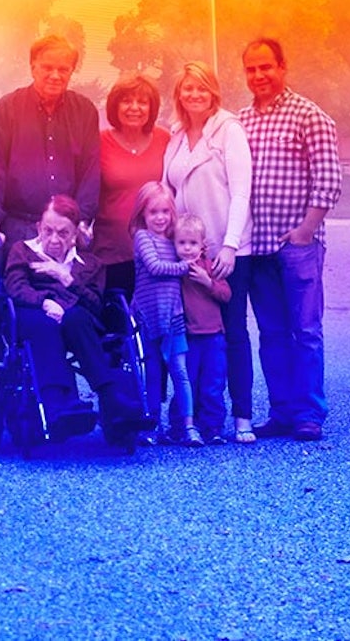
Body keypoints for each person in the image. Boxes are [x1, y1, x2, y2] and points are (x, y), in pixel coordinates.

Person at [239, 38, 342, 442]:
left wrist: (305, 230)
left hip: (297, 245)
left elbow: (328, 180)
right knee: (271, 334)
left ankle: (309, 413)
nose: (259, 75)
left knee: (305, 331)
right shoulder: (241, 121)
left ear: (282, 67)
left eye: (266, 67)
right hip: (257, 247)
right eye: (251, 69)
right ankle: (281, 411)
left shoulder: (309, 116)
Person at [162, 61, 256, 444]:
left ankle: (242, 417)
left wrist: (230, 245)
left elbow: (241, 192)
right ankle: (195, 417)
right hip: (186, 252)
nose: (195, 94)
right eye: (188, 88)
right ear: (179, 94)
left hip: (224, 250)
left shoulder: (229, 130)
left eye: (202, 87)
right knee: (191, 335)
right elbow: (167, 189)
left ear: (213, 92)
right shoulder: (176, 135)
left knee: (232, 333)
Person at [3, 194, 146, 444]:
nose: (54, 239)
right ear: (39, 227)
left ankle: (110, 397)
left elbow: (95, 304)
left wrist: (65, 277)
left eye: (63, 233)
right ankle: (56, 402)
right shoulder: (22, 251)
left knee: (77, 317)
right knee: (46, 325)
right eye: (48, 231)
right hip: (34, 315)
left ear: (74, 234)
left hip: (77, 322)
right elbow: (16, 287)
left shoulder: (90, 263)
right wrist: (45, 301)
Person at [0, 34, 100, 268]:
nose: (55, 75)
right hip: (18, 226)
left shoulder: (85, 112)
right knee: (17, 289)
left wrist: (83, 222)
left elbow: (90, 171)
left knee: (65, 290)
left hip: (67, 229)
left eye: (63, 69)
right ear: (33, 67)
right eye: (47, 67)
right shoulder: (6, 109)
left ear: (72, 71)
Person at [129, 181, 197, 446]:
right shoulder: (142, 237)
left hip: (173, 316)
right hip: (148, 316)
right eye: (153, 212)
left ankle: (187, 425)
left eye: (165, 211)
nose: (160, 218)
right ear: (143, 214)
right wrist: (185, 266)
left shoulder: (174, 241)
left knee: (180, 371)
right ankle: (153, 424)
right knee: (153, 371)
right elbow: (155, 267)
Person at [95, 72, 170, 299]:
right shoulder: (99, 141)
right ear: (115, 106)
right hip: (112, 253)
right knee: (118, 317)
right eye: (126, 101)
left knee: (156, 317)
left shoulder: (165, 139)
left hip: (158, 252)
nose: (134, 108)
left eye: (142, 102)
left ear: (152, 108)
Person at [174, 214, 232, 445]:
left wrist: (207, 281)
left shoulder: (210, 266)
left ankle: (213, 427)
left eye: (193, 243)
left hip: (214, 335)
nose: (187, 248)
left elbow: (226, 295)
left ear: (202, 245)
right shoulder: (174, 270)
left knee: (213, 383)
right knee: (186, 381)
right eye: (182, 243)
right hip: (188, 335)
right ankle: (181, 426)